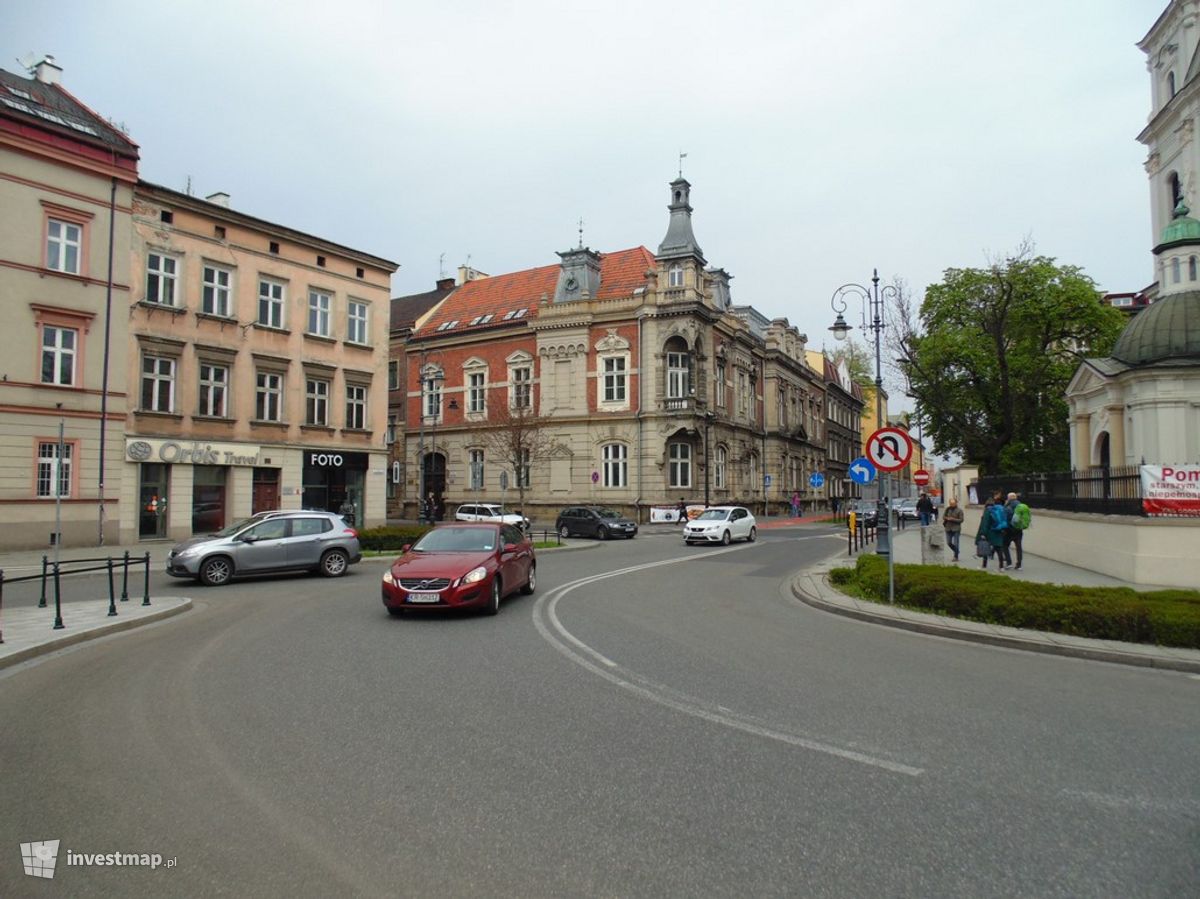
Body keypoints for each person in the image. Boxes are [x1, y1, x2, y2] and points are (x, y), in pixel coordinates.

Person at [975, 495, 1008, 569]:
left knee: (985, 548)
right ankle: (1001, 566)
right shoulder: (1001, 509)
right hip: (999, 531)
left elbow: (985, 523)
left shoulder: (988, 510)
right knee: (999, 548)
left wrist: (983, 533)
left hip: (990, 532)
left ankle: (984, 565)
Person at [1004, 492, 1031, 570]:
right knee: (1019, 547)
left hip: (1009, 530)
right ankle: (1019, 565)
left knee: (1005, 545)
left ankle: (1009, 563)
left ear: (1009, 498)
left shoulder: (1008, 506)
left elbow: (1005, 517)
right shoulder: (1021, 506)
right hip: (1019, 530)